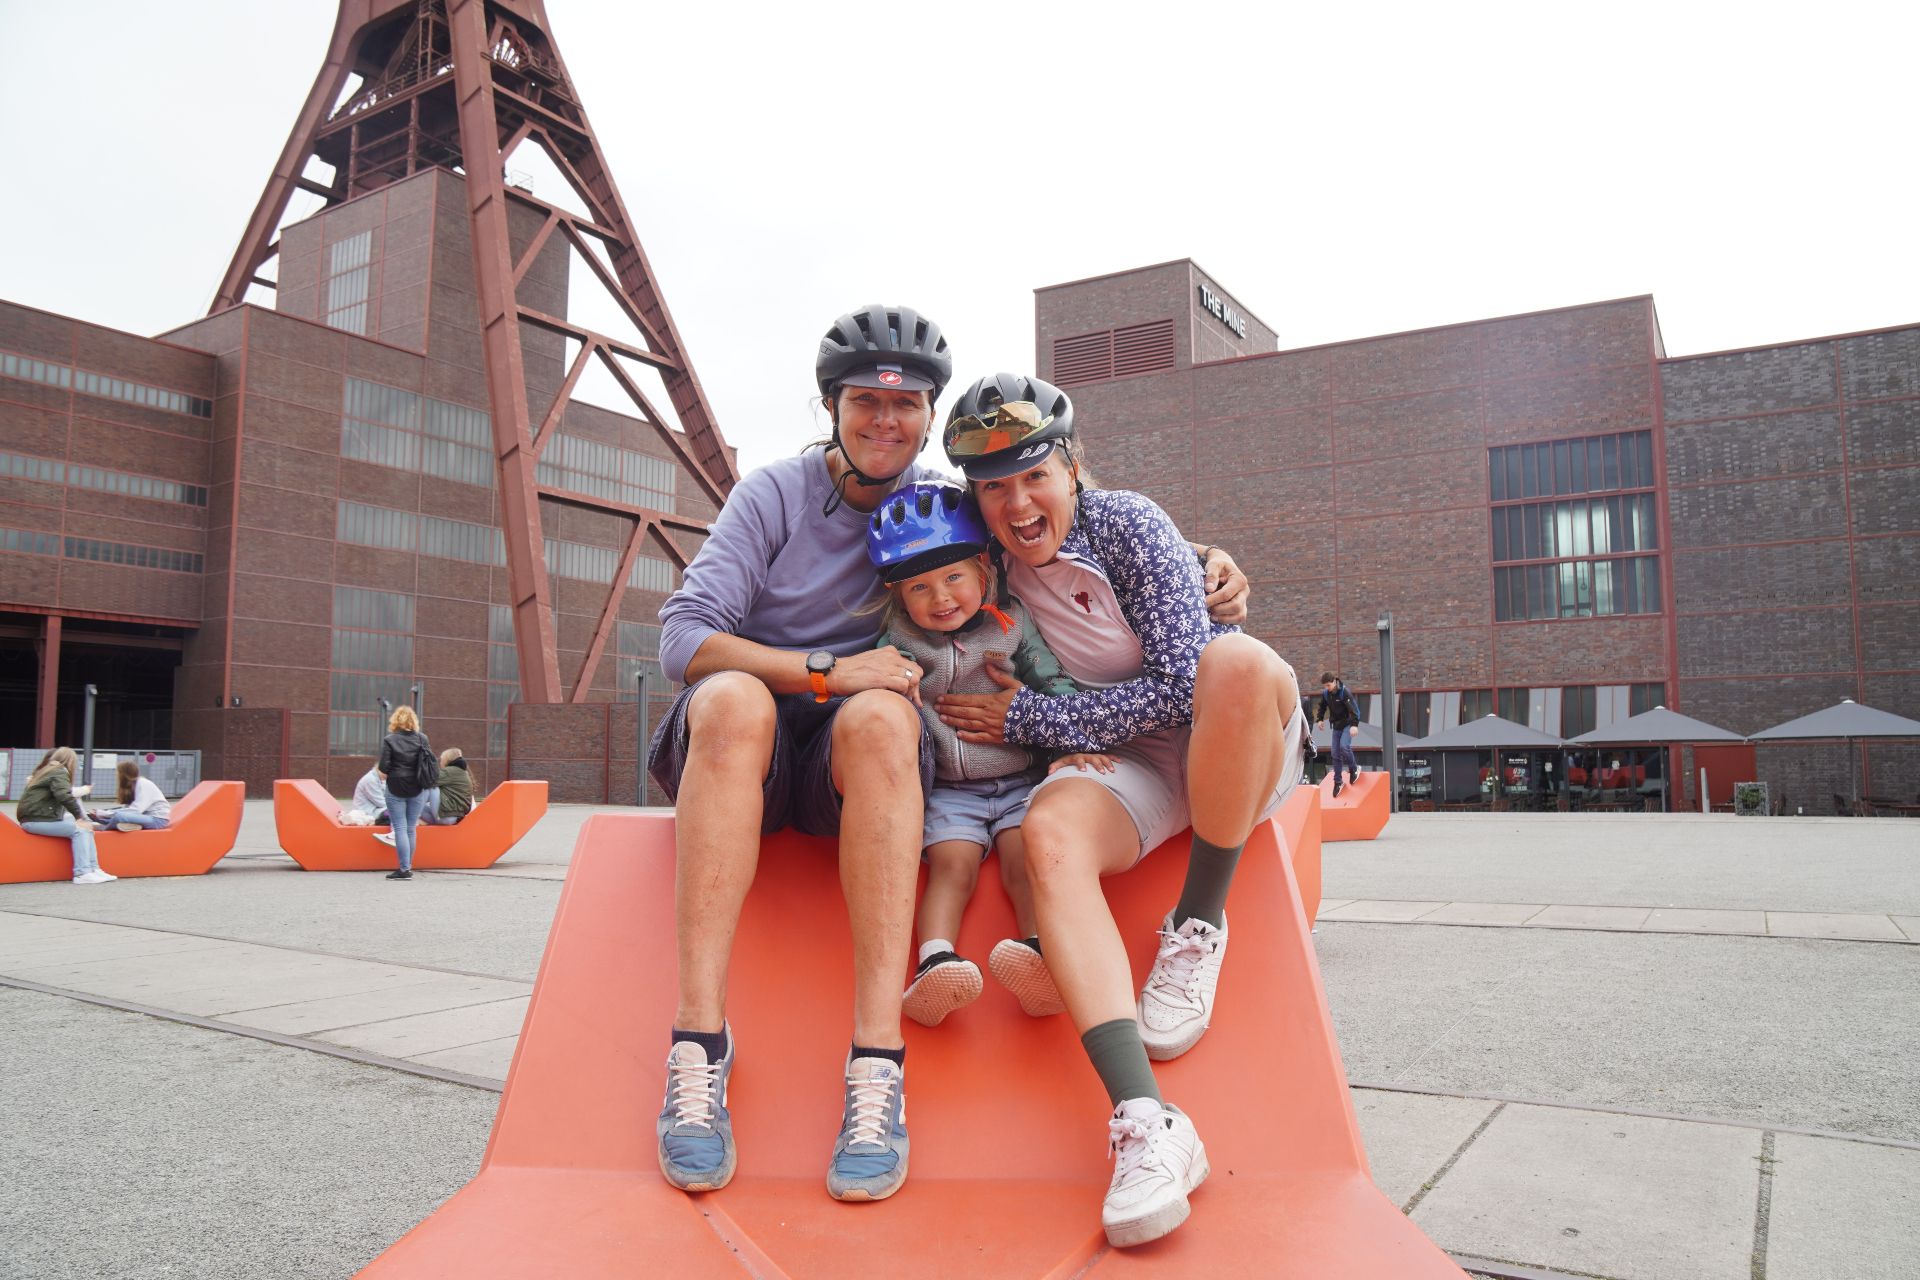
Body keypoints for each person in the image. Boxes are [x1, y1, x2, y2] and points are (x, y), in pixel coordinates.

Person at [646, 310, 1249, 1206]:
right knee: (736, 699)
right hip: (751, 741)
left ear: (928, 416)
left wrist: (1199, 558)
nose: (886, 420)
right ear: (830, 406)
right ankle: (699, 1044)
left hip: (856, 756)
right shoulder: (772, 495)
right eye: (866, 401)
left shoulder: (947, 499)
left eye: (906, 403)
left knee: (886, 717)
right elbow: (682, 638)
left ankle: (877, 1066)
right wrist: (825, 670)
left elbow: (1046, 523)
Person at [933, 372, 1304, 1249]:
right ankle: (1149, 1123)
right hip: (1131, 762)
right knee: (1052, 830)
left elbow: (1183, 686)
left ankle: (1198, 923)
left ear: (1070, 469)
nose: (1018, 503)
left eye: (1034, 476)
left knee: (1237, 662)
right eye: (994, 487)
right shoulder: (984, 566)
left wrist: (1032, 718)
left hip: (1230, 732)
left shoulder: (1128, 522)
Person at [866, 479, 1102, 1028]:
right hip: (951, 788)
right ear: (899, 597)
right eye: (919, 588)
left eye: (953, 578)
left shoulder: (1011, 626)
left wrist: (1072, 743)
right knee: (952, 867)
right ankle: (936, 963)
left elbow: (1052, 680)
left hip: (1019, 780)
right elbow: (874, 689)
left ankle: (1041, 957)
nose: (941, 598)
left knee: (1027, 862)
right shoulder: (898, 643)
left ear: (983, 572)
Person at [16, 747, 115, 885]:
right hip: (36, 820)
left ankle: (93, 869)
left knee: (86, 828)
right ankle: (82, 873)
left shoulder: (46, 771)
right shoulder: (59, 771)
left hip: (35, 818)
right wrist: (79, 817)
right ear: (71, 761)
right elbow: (64, 795)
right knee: (80, 830)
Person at [375, 706, 436, 881]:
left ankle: (404, 869)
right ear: (413, 721)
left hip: (395, 786)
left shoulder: (390, 740)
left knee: (400, 828)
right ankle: (407, 866)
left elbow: (384, 767)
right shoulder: (422, 738)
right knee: (411, 828)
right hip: (418, 786)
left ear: (395, 721)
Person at [1315, 672, 1362, 795]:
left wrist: (1354, 725)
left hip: (1347, 724)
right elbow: (1322, 707)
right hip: (1336, 726)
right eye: (1325, 686)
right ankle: (1338, 782)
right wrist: (1319, 719)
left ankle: (1354, 769)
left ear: (1334, 682)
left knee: (1344, 747)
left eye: (1328, 685)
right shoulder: (1326, 694)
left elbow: (1355, 710)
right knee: (1335, 753)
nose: (1327, 688)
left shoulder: (1344, 692)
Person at [92, 760, 172, 830]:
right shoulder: (131, 786)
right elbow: (127, 809)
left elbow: (135, 810)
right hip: (144, 817)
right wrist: (100, 814)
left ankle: (102, 827)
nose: (116, 775)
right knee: (114, 816)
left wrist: (104, 813)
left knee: (119, 816)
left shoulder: (143, 783)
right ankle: (131, 825)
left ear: (123, 774)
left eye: (118, 772)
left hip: (158, 820)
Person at [424, 748, 474, 825]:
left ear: (446, 760)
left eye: (441, 760)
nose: (440, 763)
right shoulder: (463, 772)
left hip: (447, 817)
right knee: (412, 808)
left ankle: (408, 799)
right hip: (453, 817)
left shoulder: (450, 771)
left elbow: (427, 781)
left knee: (432, 787)